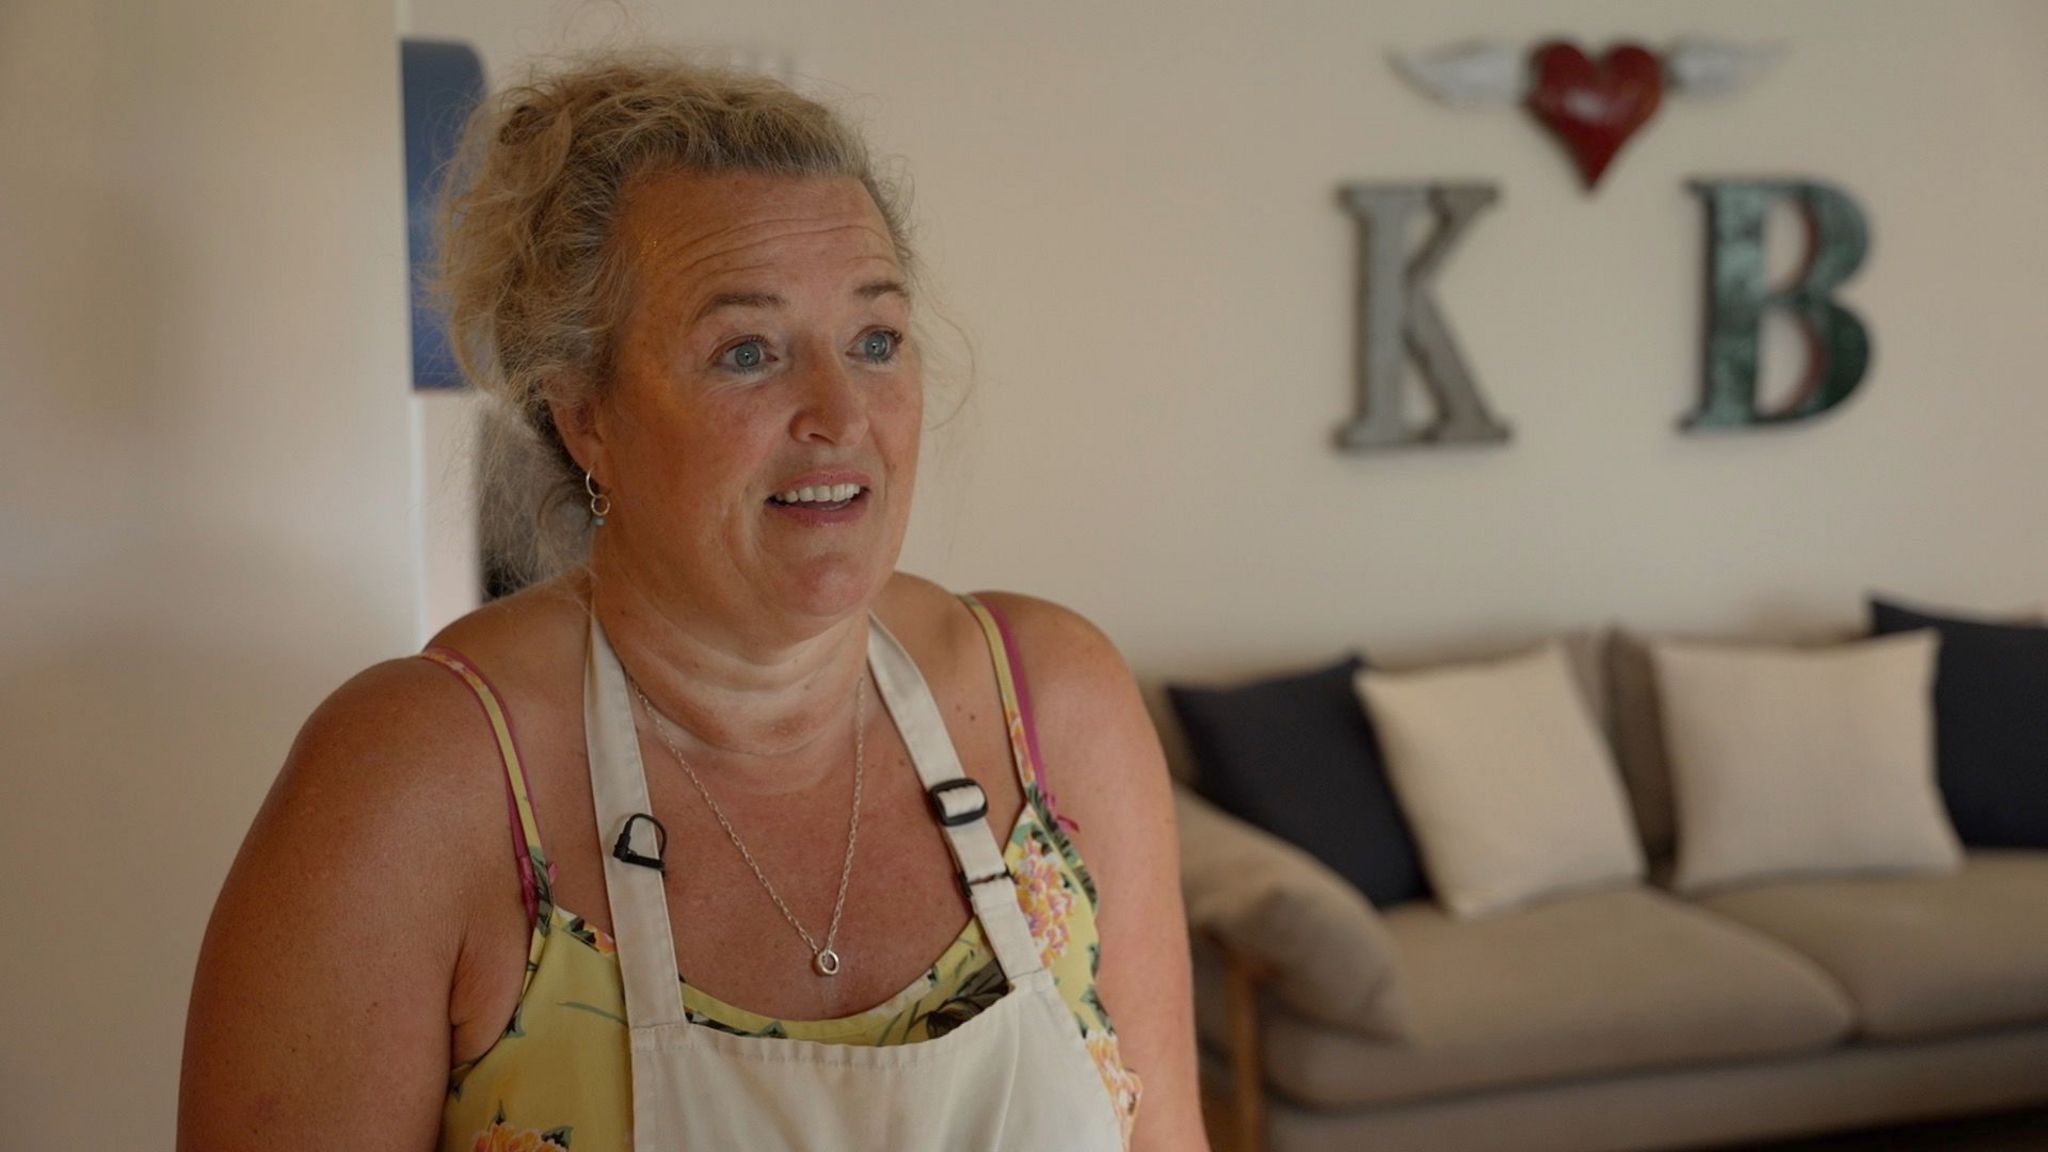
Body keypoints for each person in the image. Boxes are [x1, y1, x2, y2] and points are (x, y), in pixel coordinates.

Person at [178, 53, 1205, 1151]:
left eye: (874, 340)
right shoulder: (417, 783)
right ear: (587, 421)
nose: (840, 412)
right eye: (748, 352)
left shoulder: (1052, 705)